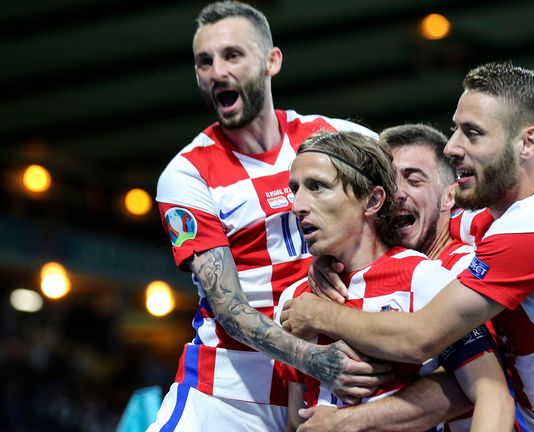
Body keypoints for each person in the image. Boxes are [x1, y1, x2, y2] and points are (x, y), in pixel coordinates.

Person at [281, 62, 534, 431]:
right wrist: (332, 255)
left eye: (472, 132)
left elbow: (419, 338)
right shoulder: (502, 220)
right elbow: (441, 219)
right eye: (455, 130)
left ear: (528, 143)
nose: (452, 147)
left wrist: (318, 313)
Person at [149, 2, 390, 430]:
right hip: (228, 396)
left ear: (271, 61)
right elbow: (228, 307)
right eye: (204, 62)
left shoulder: (336, 138)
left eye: (232, 55)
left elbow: (416, 196)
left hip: (329, 393)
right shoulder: (187, 173)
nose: (217, 71)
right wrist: (313, 359)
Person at [294, 124, 534, 432]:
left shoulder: (467, 267)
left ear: (450, 197)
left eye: (413, 179)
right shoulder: (331, 277)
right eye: (389, 180)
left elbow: (479, 385)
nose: (397, 194)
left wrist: (322, 315)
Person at [277, 130, 514, 431]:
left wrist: (348, 422)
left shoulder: (430, 277)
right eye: (295, 189)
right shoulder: (295, 299)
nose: (297, 205)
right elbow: (296, 419)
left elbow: (489, 392)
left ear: (373, 200)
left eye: (318, 187)